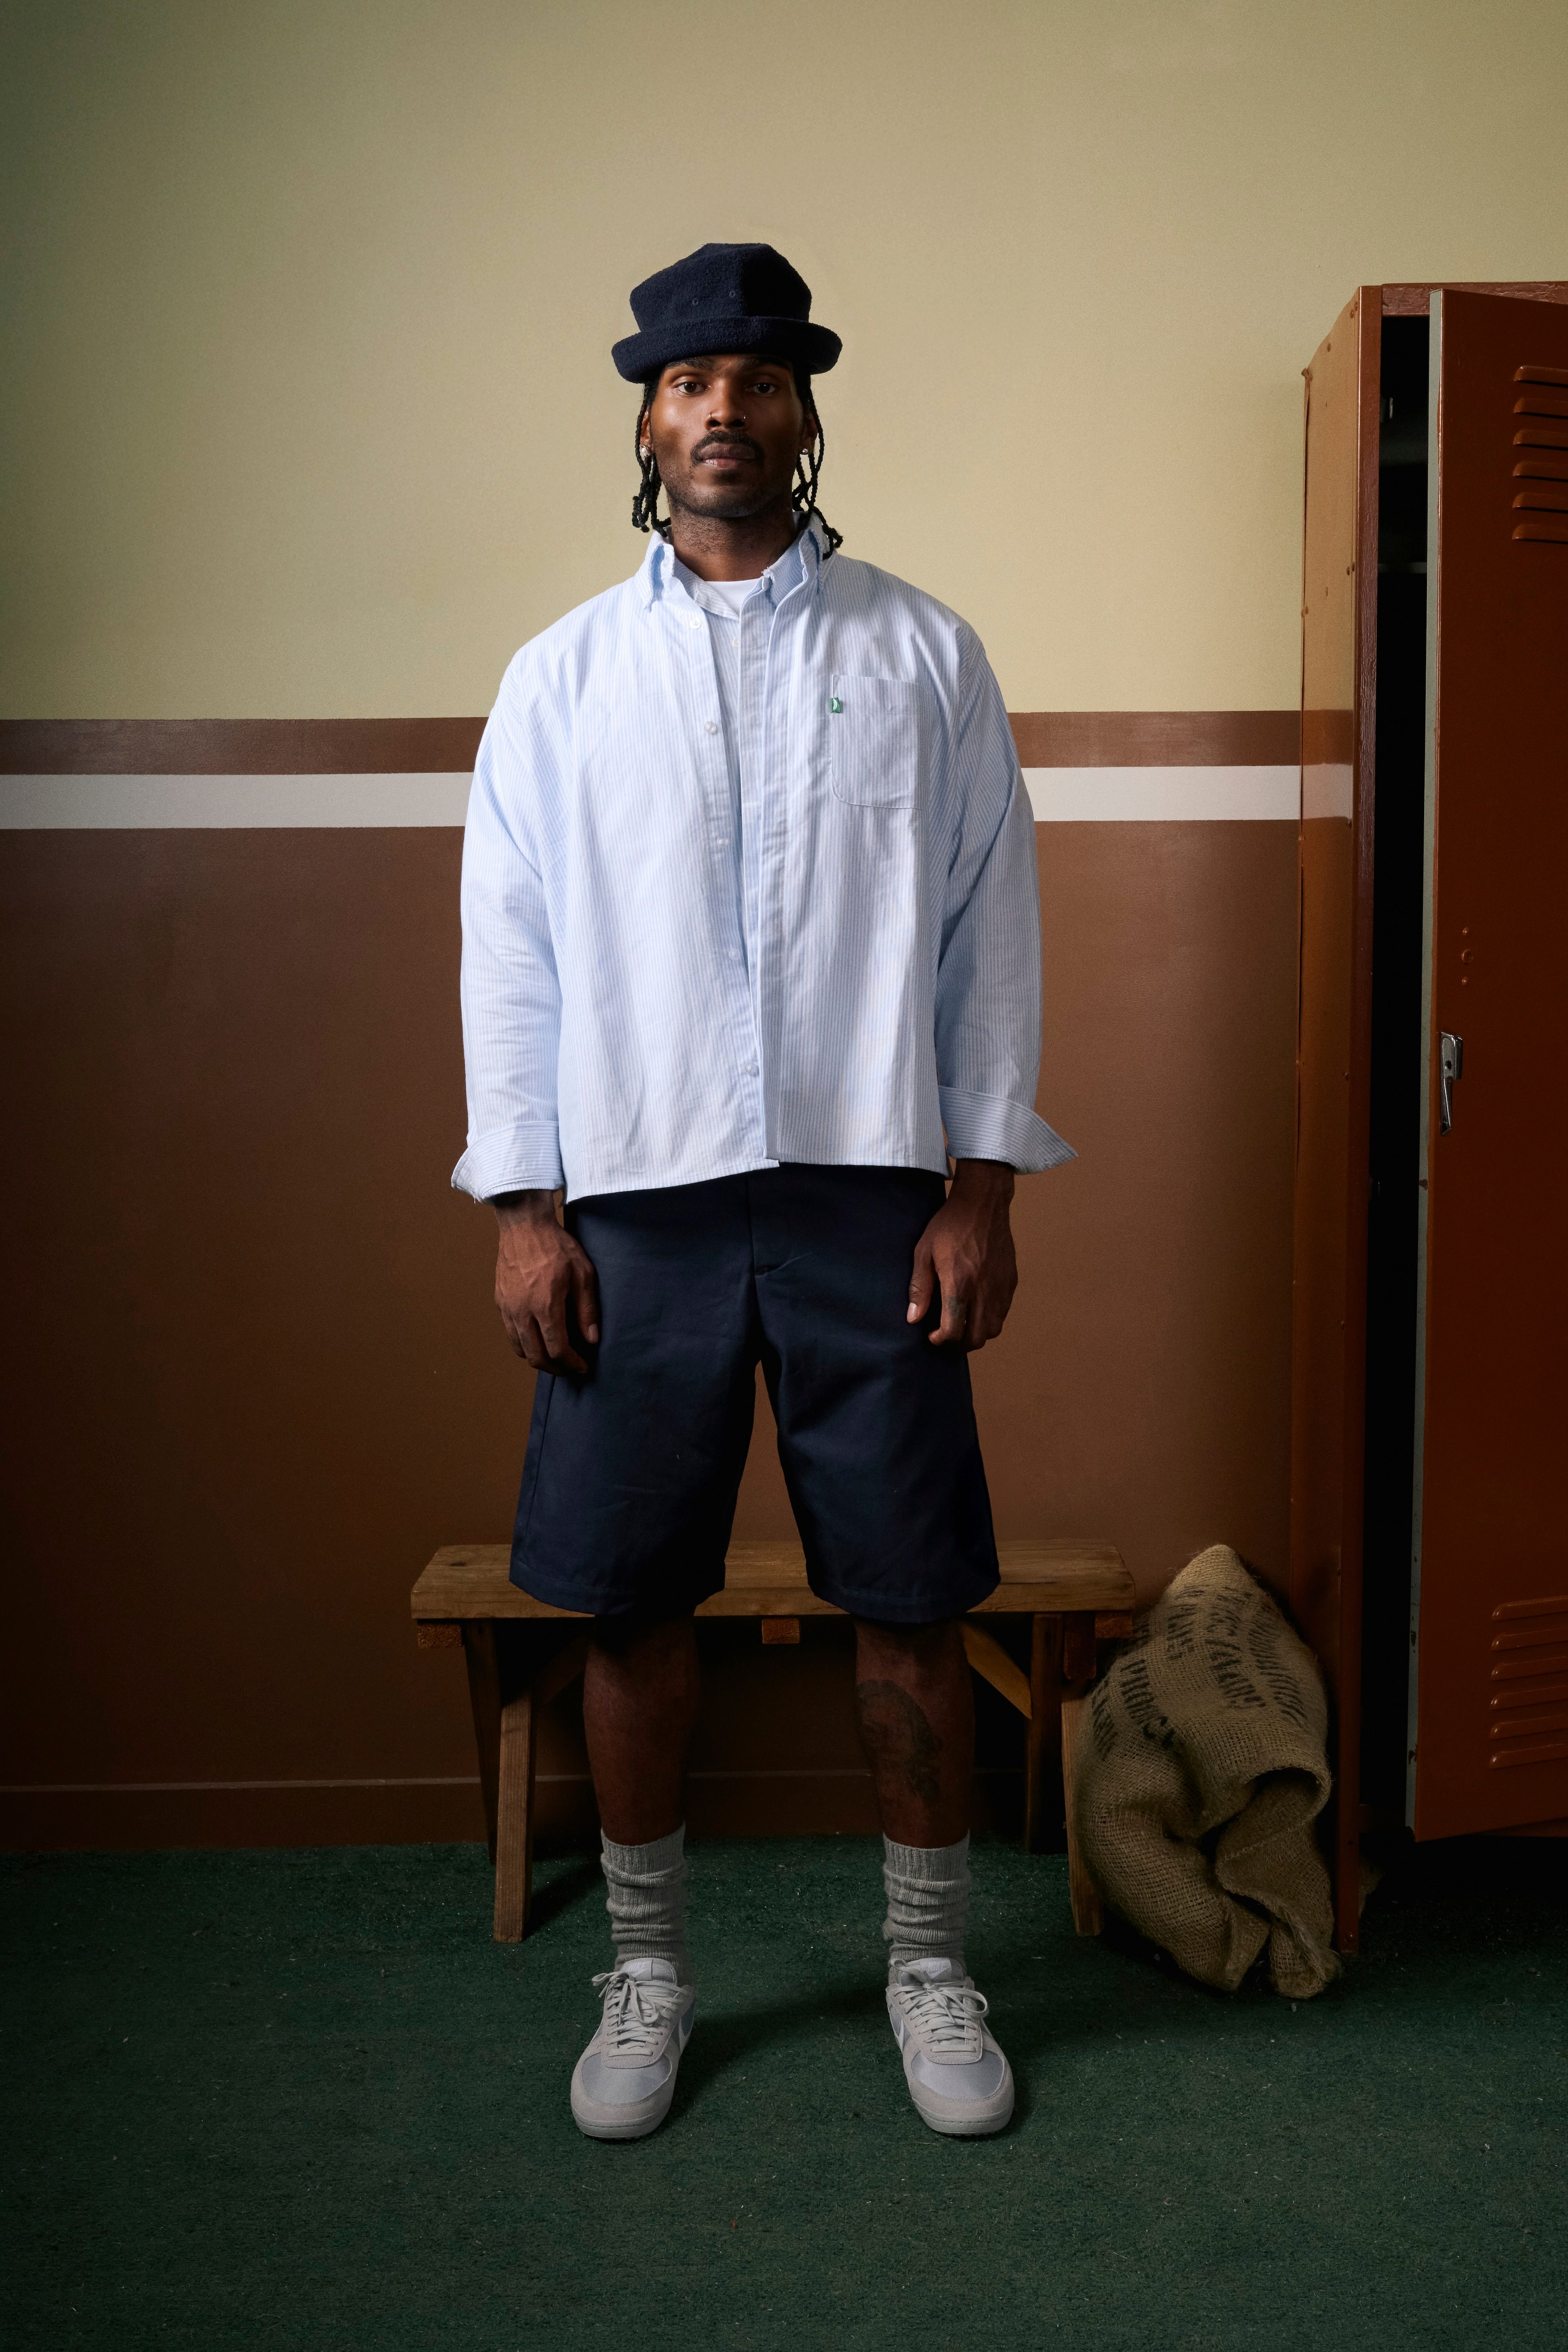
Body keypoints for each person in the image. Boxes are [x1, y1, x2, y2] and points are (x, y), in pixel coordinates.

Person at [454, 242, 1072, 2141]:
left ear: (807, 415)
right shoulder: (563, 678)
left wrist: (982, 1190)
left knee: (911, 1597)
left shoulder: (923, 655)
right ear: (648, 422)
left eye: (760, 378)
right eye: (689, 381)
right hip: (630, 1202)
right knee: (629, 1602)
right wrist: (525, 1208)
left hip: (866, 1196)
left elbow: (988, 935)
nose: (725, 408)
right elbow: (511, 948)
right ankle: (646, 1970)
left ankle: (929, 1969)